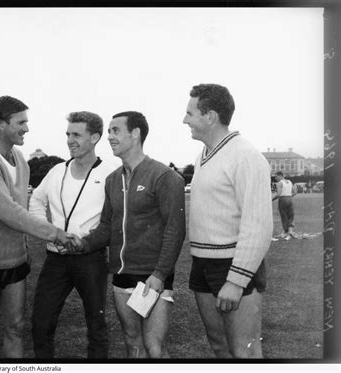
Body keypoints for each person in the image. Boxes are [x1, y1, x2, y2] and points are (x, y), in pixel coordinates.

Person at [68, 111, 186, 358]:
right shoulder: (112, 180)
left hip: (153, 277)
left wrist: (160, 274)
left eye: (115, 130)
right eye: (109, 131)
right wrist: (82, 243)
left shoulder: (164, 176)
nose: (109, 136)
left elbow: (175, 229)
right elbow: (105, 228)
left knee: (155, 348)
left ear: (135, 134)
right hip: (122, 277)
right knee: (133, 345)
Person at [0, 96, 72, 358]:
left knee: (15, 328)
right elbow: (7, 212)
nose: (27, 128)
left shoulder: (20, 158)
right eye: (21, 122)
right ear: (0, 124)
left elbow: (22, 209)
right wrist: (55, 234)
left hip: (18, 260)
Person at [183, 83, 273, 358]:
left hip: (233, 265)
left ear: (210, 116)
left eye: (190, 113)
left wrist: (236, 280)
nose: (184, 119)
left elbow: (258, 226)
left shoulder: (245, 155)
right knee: (220, 346)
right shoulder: (204, 156)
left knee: (244, 351)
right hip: (203, 263)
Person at [29, 111, 114, 358]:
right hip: (55, 259)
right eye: (68, 134)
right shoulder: (57, 170)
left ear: (95, 137)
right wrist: (50, 232)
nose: (70, 140)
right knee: (41, 323)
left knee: (96, 326)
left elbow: (114, 218)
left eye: (77, 134)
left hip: (91, 259)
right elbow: (36, 200)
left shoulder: (109, 173)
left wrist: (86, 241)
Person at [272, 171, 297, 239]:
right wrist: (289, 197)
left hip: (283, 200)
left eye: (276, 177)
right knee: (291, 215)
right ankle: (290, 231)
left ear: (280, 176)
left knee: (284, 216)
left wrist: (271, 199)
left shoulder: (279, 183)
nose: (275, 178)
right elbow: (295, 192)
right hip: (290, 199)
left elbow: (278, 194)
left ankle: (286, 232)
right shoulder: (289, 181)